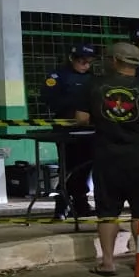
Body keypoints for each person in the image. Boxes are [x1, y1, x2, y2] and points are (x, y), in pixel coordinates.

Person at [75, 42, 139, 275]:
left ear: (115, 60)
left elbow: (81, 119)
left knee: (107, 213)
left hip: (108, 157)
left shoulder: (94, 85)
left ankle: (107, 262)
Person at [43, 44, 98, 219]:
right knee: (68, 167)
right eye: (82, 61)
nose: (86, 65)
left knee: (86, 166)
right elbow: (50, 100)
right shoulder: (58, 76)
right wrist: (76, 108)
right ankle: (62, 206)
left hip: (89, 129)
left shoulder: (93, 78)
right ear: (72, 59)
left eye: (89, 62)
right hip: (67, 129)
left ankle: (81, 204)